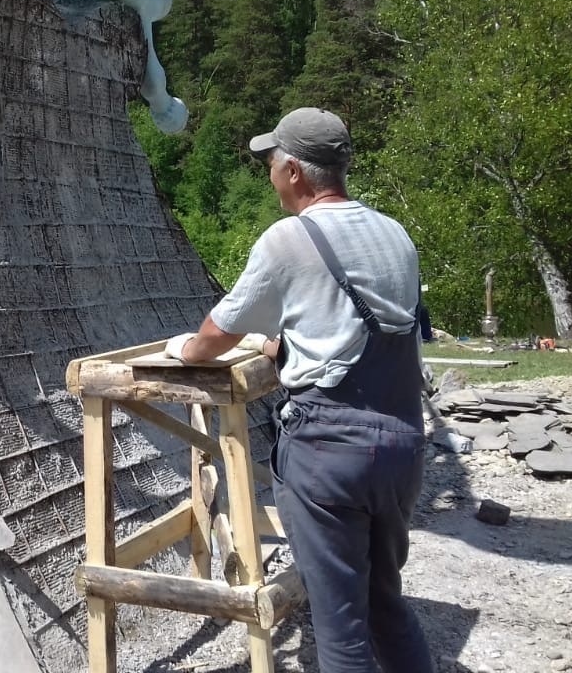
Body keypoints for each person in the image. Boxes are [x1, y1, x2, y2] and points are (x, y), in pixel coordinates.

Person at [163, 108, 434, 672]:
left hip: (329, 452)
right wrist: (286, 347)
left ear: (293, 171)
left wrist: (186, 350)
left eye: (271, 163)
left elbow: (218, 332)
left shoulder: (288, 239)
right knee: (385, 603)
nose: (269, 174)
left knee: (340, 629)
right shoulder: (395, 234)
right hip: (401, 444)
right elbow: (369, 329)